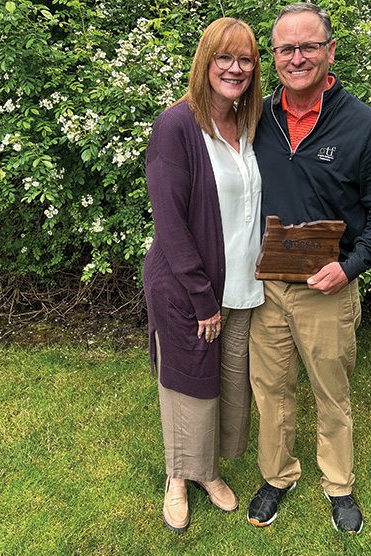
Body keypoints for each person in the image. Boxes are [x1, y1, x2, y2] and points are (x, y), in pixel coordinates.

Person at [246, 3, 371, 534]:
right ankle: (278, 474)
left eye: (308, 46)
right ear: (274, 58)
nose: (298, 57)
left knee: (331, 393)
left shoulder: (362, 125)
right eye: (286, 48)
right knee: (271, 390)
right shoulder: (257, 118)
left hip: (327, 288)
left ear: (330, 50)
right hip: (266, 286)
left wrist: (351, 267)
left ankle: (338, 484)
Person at [143, 17, 264, 533]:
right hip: (190, 287)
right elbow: (169, 221)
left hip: (243, 286)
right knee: (188, 384)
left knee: (228, 384)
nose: (235, 68)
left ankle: (209, 471)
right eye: (224, 58)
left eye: (245, 60)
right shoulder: (177, 126)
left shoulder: (248, 123)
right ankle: (177, 476)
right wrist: (201, 297)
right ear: (205, 62)